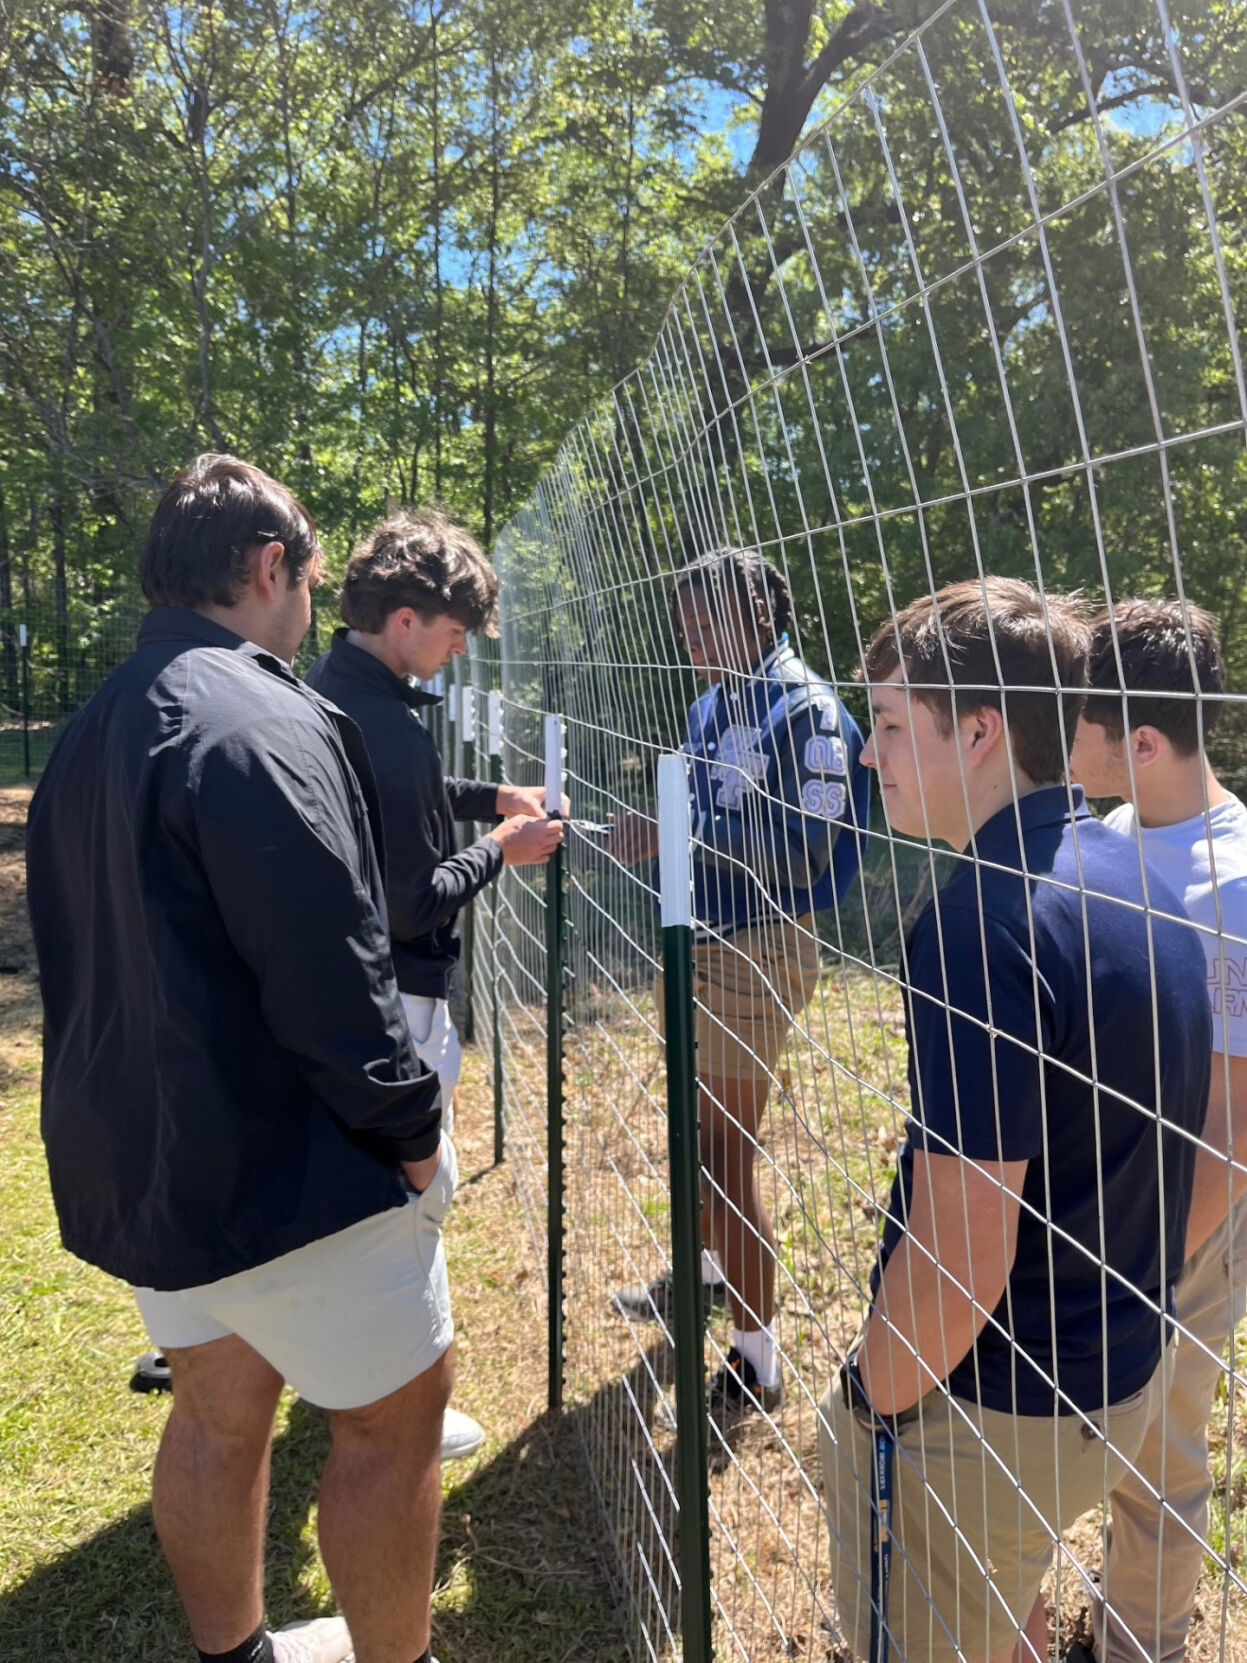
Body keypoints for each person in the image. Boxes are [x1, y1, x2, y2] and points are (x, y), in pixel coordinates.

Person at [27, 455, 452, 1663]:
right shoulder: (261, 715)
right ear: (271, 566)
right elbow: (333, 974)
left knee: (218, 1416)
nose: (312, 600)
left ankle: (234, 1653)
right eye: (310, 577)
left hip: (151, 1169)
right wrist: (413, 1137)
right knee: (394, 1424)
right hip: (291, 1172)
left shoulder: (91, 727)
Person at [818, 577, 1212, 1663]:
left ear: (980, 731)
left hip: (992, 1409)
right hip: (1117, 1378)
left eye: (891, 725)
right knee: (995, 1606)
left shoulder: (973, 920)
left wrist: (866, 1397)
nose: (866, 753)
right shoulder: (1142, 883)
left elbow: (960, 1246)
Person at [305, 509, 564, 1458]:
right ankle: (400, 1398)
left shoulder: (331, 691)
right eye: (452, 637)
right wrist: (504, 847)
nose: (453, 659)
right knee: (414, 1197)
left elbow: (400, 800)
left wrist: (488, 800)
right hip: (402, 995)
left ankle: (344, 1372)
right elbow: (417, 901)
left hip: (343, 983)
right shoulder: (390, 724)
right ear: (407, 617)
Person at [608, 545, 870, 1429]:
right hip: (700, 935)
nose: (689, 640)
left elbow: (810, 846)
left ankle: (756, 1359)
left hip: (760, 942)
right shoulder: (711, 701)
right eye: (682, 624)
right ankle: (706, 1273)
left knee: (724, 1150)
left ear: (762, 616)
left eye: (705, 621)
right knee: (695, 1130)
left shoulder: (807, 709)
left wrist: (680, 824)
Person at [1067, 598, 1247, 1663]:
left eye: (1074, 724)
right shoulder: (1106, 836)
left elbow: (1230, 1124)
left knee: (1156, 1453)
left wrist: (1151, 1259)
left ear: (1139, 741)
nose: (1061, 743)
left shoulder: (1231, 884)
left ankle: (1141, 1643)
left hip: (1183, 1224)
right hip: (1102, 1201)